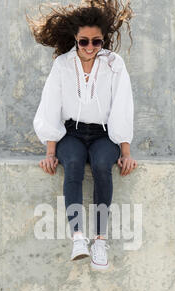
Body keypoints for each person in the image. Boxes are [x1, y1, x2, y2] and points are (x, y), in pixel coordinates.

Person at [26, 0, 137, 270]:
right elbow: (52, 104)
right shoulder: (63, 65)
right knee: (73, 164)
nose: (89, 48)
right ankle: (78, 238)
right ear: (75, 39)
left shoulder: (114, 65)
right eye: (83, 42)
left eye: (96, 42)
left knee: (101, 165)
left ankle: (99, 240)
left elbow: (122, 106)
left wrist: (125, 152)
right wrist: (50, 151)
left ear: (103, 41)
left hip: (103, 134)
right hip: (72, 133)